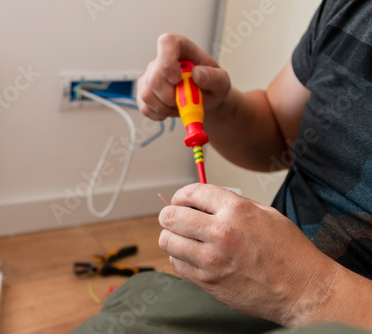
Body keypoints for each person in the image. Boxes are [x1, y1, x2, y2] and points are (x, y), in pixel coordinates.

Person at [73, 1, 372, 333]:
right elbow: (278, 130)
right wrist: (218, 107)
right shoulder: (350, 8)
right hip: (258, 283)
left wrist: (310, 289)